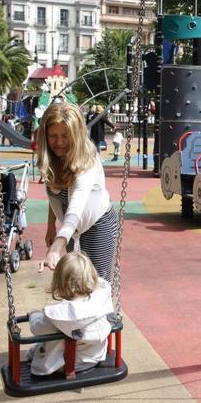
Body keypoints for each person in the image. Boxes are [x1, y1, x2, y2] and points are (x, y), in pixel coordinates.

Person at [36, 102, 118, 281]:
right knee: (78, 283)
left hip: (98, 224)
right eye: (53, 136)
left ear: (76, 135)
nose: (59, 143)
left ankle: (104, 309)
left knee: (98, 285)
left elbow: (75, 207)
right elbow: (55, 194)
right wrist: (51, 226)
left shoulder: (87, 161)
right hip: (71, 230)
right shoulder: (51, 159)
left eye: (65, 136)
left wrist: (57, 245)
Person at [26, 251, 114, 376]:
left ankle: (34, 355)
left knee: (40, 346)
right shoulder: (100, 301)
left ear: (59, 282)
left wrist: (34, 315)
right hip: (95, 357)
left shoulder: (59, 315)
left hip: (63, 364)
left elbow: (37, 329)